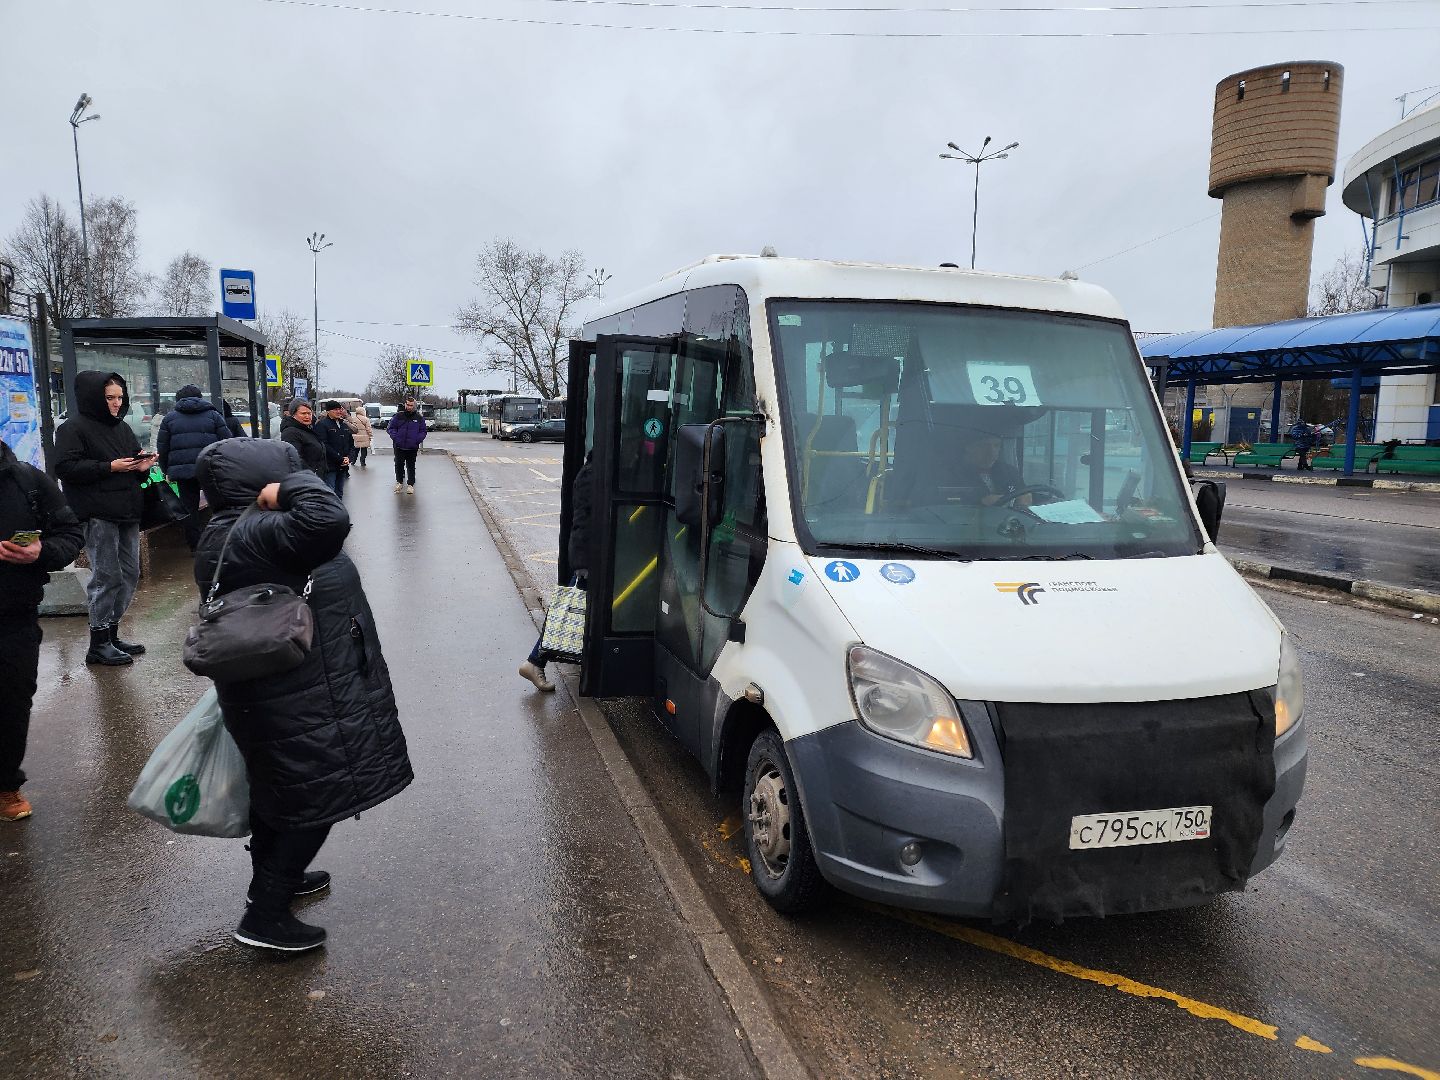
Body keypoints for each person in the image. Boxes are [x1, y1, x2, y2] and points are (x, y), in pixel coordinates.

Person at [193, 438, 413, 952]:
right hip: (301, 692)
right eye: (288, 468)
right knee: (316, 797)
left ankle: (274, 880)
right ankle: (265, 915)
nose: (301, 473)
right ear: (262, 478)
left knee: (285, 792)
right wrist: (287, 488)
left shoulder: (243, 529)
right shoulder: (257, 530)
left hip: (304, 685)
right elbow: (328, 519)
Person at [0, 438, 85, 821]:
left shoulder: (28, 481)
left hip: (12, 614)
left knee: (11, 701)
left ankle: (5, 786)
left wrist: (40, 552)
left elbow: (69, 535)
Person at [53, 371, 151, 666]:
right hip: (97, 513)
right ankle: (98, 641)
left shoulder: (121, 428)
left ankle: (111, 631)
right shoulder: (73, 428)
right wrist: (109, 467)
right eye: (110, 398)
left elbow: (133, 456)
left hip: (127, 509)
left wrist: (142, 462)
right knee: (107, 576)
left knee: (129, 573)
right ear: (95, 397)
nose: (116, 403)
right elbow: (65, 468)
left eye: (120, 398)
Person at [519, 453, 592, 692]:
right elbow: (586, 522)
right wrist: (583, 563)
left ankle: (535, 661)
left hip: (588, 554)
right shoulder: (593, 476)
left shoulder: (590, 471)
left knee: (568, 611)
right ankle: (534, 661)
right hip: (589, 557)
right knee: (566, 612)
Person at [157, 383, 232, 552]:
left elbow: (163, 447)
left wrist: (166, 469)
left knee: (189, 508)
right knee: (218, 505)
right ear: (200, 398)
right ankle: (220, 542)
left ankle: (195, 546)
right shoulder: (214, 415)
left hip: (183, 472)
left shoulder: (169, 419)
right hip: (210, 468)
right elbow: (227, 441)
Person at [953, 431, 1030, 507]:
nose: (992, 452)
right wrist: (979, 502)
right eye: (984, 446)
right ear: (969, 447)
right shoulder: (950, 473)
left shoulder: (1009, 471)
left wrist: (1025, 498)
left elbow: (1024, 494)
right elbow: (946, 501)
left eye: (996, 445)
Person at [386, 397, 427, 495]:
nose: (409, 407)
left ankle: (410, 485)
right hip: (399, 446)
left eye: (411, 405)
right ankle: (399, 482)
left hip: (412, 447)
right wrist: (396, 438)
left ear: (414, 406)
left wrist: (417, 440)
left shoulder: (419, 418)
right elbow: (390, 428)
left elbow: (423, 431)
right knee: (399, 465)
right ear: (405, 404)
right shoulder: (398, 416)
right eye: (407, 405)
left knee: (411, 466)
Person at [315, 400, 355, 499]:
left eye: (340, 409)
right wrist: (339, 458)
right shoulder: (322, 425)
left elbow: (351, 444)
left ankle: (338, 513)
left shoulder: (344, 425)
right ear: (328, 411)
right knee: (330, 494)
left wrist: (349, 458)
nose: (338, 411)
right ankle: (329, 514)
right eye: (335, 409)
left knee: (339, 493)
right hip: (329, 466)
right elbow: (324, 445)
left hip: (343, 466)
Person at [279, 399, 327, 479]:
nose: (307, 416)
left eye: (309, 413)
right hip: (306, 480)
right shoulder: (291, 432)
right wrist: (311, 474)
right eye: (303, 413)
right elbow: (294, 458)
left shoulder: (306, 429)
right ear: (293, 414)